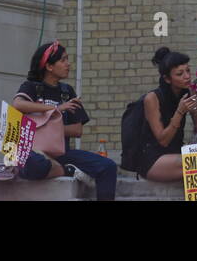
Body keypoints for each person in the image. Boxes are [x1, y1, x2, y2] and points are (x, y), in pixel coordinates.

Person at [13, 41, 118, 200]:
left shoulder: (67, 91)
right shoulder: (31, 87)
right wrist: (55, 110)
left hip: (60, 151)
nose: (68, 64)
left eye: (67, 59)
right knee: (35, 165)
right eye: (63, 60)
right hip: (33, 152)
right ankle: (66, 170)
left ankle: (62, 167)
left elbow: (77, 130)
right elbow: (17, 104)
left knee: (108, 166)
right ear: (49, 66)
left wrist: (47, 127)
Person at [132, 47, 197, 198]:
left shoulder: (188, 93)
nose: (187, 77)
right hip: (152, 159)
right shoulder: (152, 99)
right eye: (180, 74)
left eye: (188, 71)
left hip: (176, 153)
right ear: (167, 79)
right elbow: (163, 140)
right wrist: (180, 112)